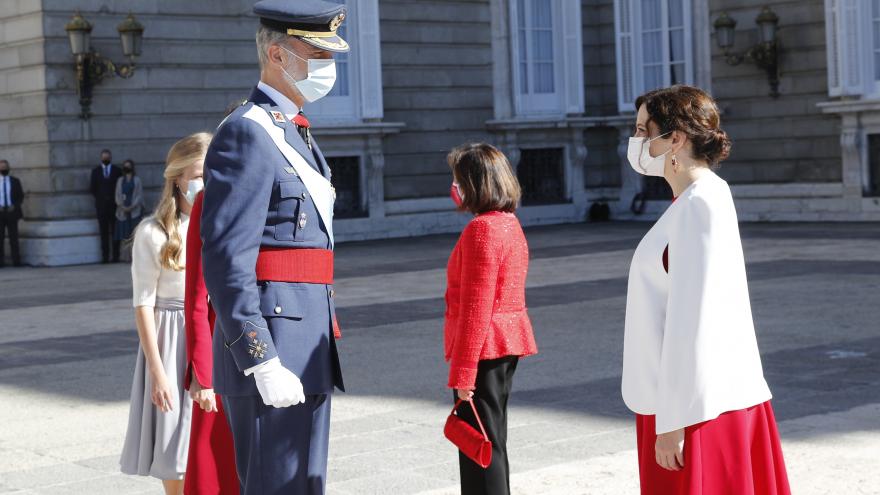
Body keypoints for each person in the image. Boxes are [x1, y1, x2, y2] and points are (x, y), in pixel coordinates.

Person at [200, 1, 346, 493]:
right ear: (279, 55)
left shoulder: (292, 130)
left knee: (305, 484)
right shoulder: (247, 132)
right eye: (318, 54)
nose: (328, 67)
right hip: (275, 349)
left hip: (309, 344)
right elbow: (226, 259)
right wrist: (259, 357)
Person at [621, 85, 790, 494]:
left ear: (675, 138)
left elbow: (693, 316)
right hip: (684, 399)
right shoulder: (694, 200)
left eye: (645, 131)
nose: (637, 141)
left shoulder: (700, 203)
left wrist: (672, 423)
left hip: (693, 408)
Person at [120, 132, 212, 495]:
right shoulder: (152, 232)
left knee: (210, 446)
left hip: (211, 334)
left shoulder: (218, 224)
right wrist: (158, 373)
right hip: (171, 339)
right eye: (199, 175)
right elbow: (142, 303)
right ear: (178, 177)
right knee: (175, 450)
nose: (206, 183)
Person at [444, 143, 538, 495]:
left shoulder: (481, 229)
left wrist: (463, 372)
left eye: (458, 180)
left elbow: (476, 307)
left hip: (485, 348)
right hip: (505, 343)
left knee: (480, 448)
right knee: (491, 439)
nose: (455, 188)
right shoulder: (508, 223)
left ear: (474, 183)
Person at [182, 189, 240, 495]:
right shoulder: (211, 199)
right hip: (222, 351)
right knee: (214, 464)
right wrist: (202, 375)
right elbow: (197, 299)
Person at [90, 149, 122, 263]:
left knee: (115, 232)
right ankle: (105, 257)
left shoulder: (117, 171)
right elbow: (92, 189)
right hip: (101, 207)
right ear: (101, 158)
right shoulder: (96, 171)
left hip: (115, 207)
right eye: (104, 157)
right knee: (103, 233)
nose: (106, 159)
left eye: (107, 157)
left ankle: (116, 256)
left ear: (110, 158)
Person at [0, 159, 25, 267]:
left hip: (12, 213)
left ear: (9, 168)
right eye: (2, 167)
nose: (4, 169)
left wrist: (14, 206)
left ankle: (16, 261)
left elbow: (20, 196)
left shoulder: (15, 181)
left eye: (5, 167)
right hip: (0, 213)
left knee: (14, 238)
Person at [115, 159, 145, 245]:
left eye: (129, 166)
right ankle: (124, 257)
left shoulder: (137, 180)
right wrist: (122, 207)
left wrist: (131, 207)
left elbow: (139, 195)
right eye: (125, 166)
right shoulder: (120, 180)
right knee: (124, 237)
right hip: (122, 212)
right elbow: (117, 195)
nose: (127, 167)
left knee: (134, 235)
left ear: (132, 167)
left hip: (134, 212)